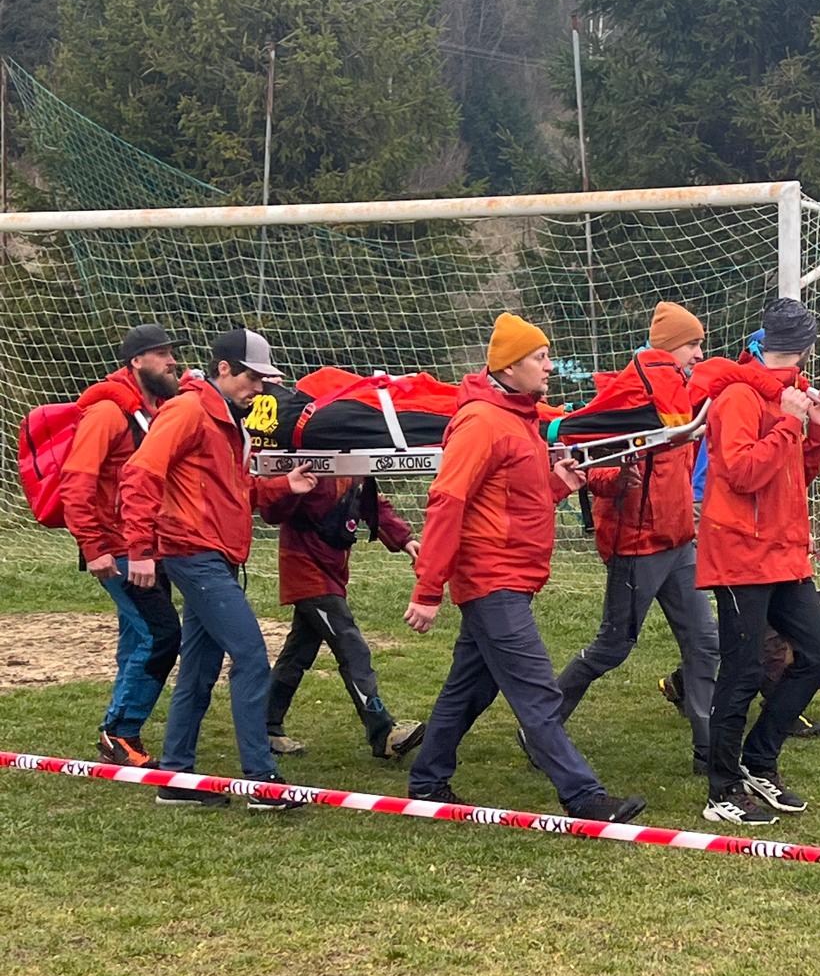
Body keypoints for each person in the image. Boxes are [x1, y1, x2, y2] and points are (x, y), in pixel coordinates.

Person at [403, 312, 646, 823]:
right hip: (491, 578)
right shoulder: (481, 422)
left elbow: (511, 498)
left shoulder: (518, 419)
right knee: (536, 690)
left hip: (510, 576)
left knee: (470, 687)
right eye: (540, 357)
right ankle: (582, 795)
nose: (550, 366)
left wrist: (559, 484)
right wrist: (427, 590)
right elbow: (448, 500)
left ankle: (427, 781)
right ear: (510, 367)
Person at [121, 327, 316, 810]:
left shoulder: (227, 417)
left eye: (264, 379)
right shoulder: (189, 410)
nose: (259, 388)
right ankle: (262, 780)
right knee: (250, 656)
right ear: (224, 369)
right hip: (194, 554)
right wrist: (139, 549)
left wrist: (282, 486)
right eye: (253, 377)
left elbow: (235, 491)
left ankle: (176, 776)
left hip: (213, 556)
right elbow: (140, 473)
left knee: (200, 669)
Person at [696, 296, 820, 827]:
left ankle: (759, 760)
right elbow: (741, 473)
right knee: (743, 671)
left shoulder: (790, 396)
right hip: (741, 555)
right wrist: (787, 423)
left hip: (784, 555)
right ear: (807, 346)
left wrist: (817, 429)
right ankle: (722, 790)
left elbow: (792, 477)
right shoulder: (740, 396)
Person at [554, 301, 718, 774]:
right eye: (692, 344)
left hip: (679, 542)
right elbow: (587, 464)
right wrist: (616, 479)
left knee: (704, 642)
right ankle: (541, 725)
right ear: (669, 347)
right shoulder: (631, 399)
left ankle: (709, 750)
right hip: (637, 546)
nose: (699, 354)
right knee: (612, 648)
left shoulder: (681, 397)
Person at [60, 324, 183, 767]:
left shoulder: (155, 410)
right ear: (136, 361)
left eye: (171, 352)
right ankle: (120, 731)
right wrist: (94, 547)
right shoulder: (108, 412)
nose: (172, 360)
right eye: (162, 353)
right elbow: (75, 483)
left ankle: (118, 731)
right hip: (118, 548)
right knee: (161, 635)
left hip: (145, 544)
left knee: (139, 637)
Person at [260, 472, 426, 762]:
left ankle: (265, 728)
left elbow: (371, 503)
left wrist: (405, 540)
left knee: (297, 654)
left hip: (331, 575)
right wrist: (288, 485)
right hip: (308, 576)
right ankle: (383, 732)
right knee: (353, 649)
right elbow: (273, 510)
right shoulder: (308, 460)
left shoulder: (353, 463)